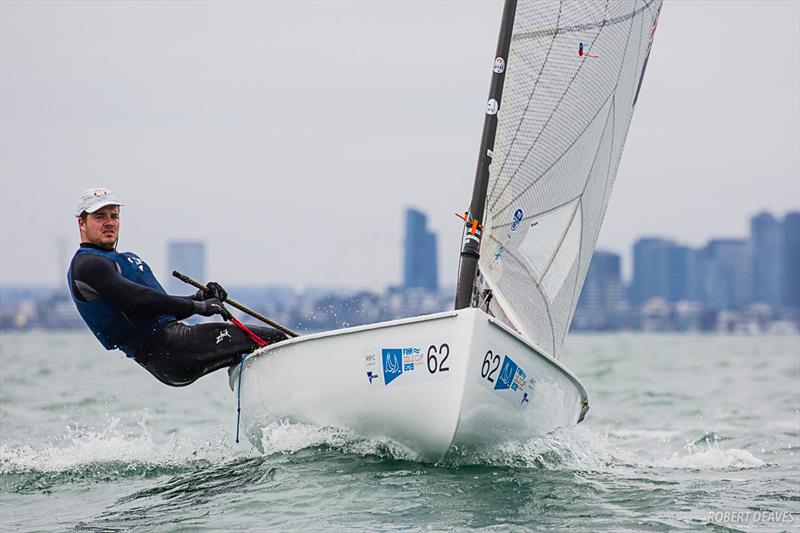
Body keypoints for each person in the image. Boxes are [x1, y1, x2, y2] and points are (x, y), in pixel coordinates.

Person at [67, 187, 286, 386]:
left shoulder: (117, 260)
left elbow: (158, 306)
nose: (109, 222)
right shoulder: (88, 264)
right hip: (168, 348)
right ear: (82, 223)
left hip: (170, 350)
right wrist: (198, 307)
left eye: (114, 216)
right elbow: (138, 299)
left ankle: (270, 409)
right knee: (277, 341)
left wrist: (199, 297)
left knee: (253, 348)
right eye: (99, 216)